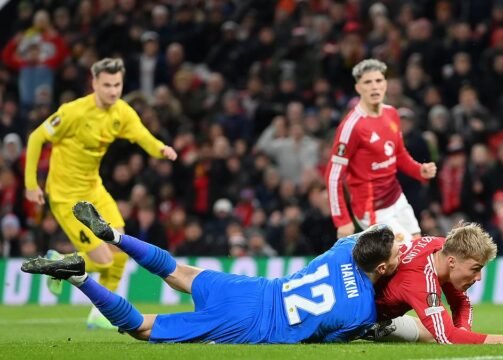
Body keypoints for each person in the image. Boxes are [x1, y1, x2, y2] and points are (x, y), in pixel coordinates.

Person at [21, 201, 401, 344]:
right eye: (399, 252)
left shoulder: (340, 251)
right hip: (252, 323)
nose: (404, 252)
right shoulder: (363, 312)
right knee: (142, 327)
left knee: (176, 271)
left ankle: (115, 235)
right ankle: (79, 277)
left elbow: (360, 237)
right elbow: (326, 340)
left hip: (257, 290)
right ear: (381, 268)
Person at [23, 58, 178, 328]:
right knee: (104, 259)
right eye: (106, 85)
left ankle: (101, 313)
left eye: (117, 84)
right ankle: (58, 263)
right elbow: (37, 137)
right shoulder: (73, 112)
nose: (113, 91)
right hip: (65, 194)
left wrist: (161, 149)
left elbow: (144, 137)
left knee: (119, 245)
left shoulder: (122, 113)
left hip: (94, 188)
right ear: (94, 83)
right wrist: (30, 185)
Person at [325, 59, 437, 242]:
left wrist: (419, 170)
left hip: (396, 197)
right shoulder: (352, 126)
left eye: (378, 81)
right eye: (367, 82)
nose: (374, 87)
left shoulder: (392, 113)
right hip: (371, 209)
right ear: (358, 88)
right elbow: (333, 176)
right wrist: (342, 220)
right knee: (404, 252)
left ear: (385, 84)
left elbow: (398, 153)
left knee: (417, 246)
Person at [371, 223, 503, 344]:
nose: (478, 277)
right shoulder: (421, 279)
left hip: (385, 310)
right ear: (452, 262)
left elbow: (462, 303)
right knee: (438, 332)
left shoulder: (442, 248)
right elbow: (447, 337)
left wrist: (464, 332)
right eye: (475, 269)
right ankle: (361, 329)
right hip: (366, 317)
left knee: (432, 333)